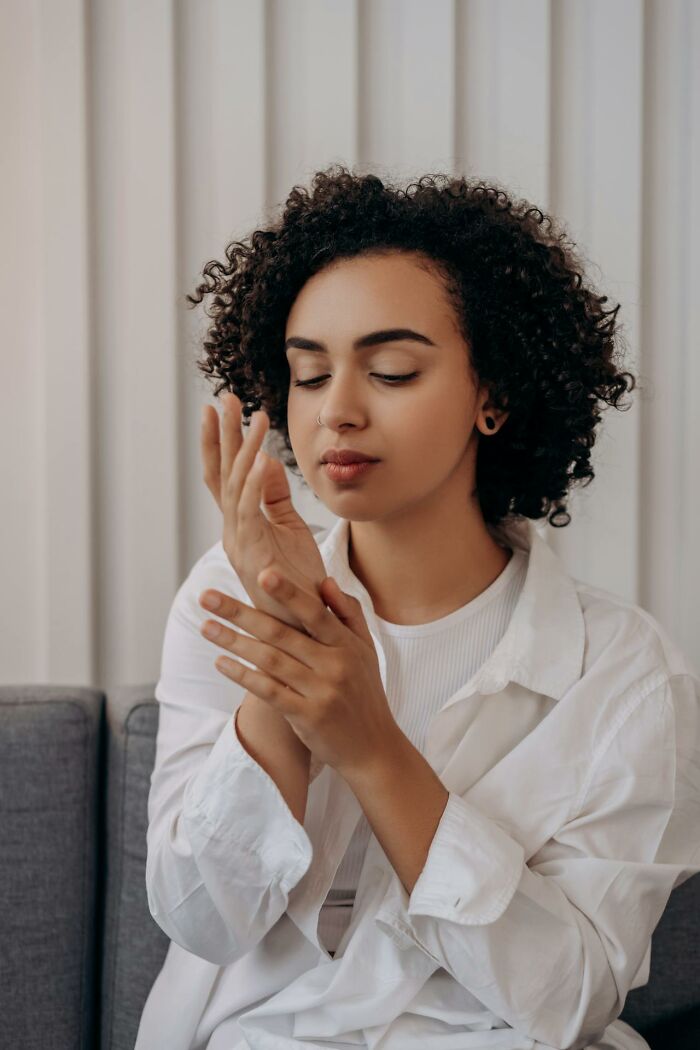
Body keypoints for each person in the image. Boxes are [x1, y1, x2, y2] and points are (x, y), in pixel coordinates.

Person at [134, 165, 700, 1050]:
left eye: (392, 371)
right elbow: (204, 922)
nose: (338, 413)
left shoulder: (628, 675)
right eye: (310, 375)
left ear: (494, 396)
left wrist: (371, 749)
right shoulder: (227, 592)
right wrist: (287, 625)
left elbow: (569, 998)